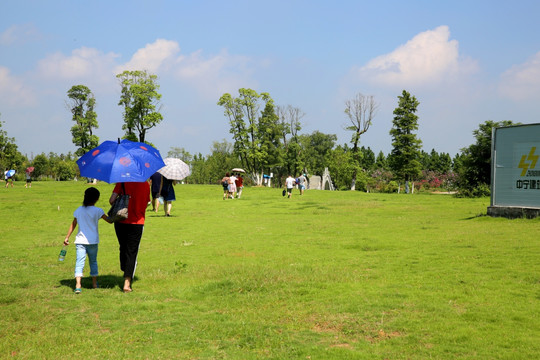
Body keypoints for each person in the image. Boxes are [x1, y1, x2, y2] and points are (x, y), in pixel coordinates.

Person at [63, 187, 112, 294]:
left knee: (79, 262)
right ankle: (94, 284)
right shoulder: (98, 210)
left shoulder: (79, 210)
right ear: (97, 198)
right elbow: (109, 220)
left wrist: (67, 237)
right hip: (93, 241)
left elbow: (73, 224)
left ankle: (78, 285)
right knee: (93, 261)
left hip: (80, 241)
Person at [109, 181, 150, 293]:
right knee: (132, 251)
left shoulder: (122, 182)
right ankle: (127, 284)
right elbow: (146, 203)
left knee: (123, 247)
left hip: (121, 220)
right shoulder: (145, 184)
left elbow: (111, 200)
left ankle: (125, 267)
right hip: (137, 222)